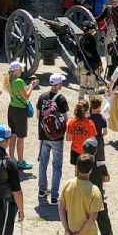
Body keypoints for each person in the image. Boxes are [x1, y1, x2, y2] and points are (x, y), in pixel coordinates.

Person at [37, 73, 70, 204]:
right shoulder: (61, 99)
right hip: (57, 138)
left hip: (44, 136)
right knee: (57, 166)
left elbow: (38, 116)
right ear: (58, 85)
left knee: (43, 164)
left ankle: (42, 190)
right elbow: (65, 119)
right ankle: (54, 196)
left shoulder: (42, 97)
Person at [59, 154, 105, 235]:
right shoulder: (94, 191)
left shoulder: (68, 184)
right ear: (91, 170)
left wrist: (67, 230)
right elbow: (92, 218)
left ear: (77, 168)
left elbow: (61, 209)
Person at [81, 137, 115, 235]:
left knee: (84, 228)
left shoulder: (80, 163)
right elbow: (107, 178)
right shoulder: (100, 165)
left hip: (84, 201)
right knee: (105, 228)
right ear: (95, 150)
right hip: (98, 200)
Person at [6, 61, 36, 170]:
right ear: (16, 70)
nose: (22, 70)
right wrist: (32, 86)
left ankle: (11, 158)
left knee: (13, 134)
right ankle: (20, 161)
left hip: (12, 108)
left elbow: (19, 92)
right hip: (20, 111)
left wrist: (27, 86)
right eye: (20, 69)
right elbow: (26, 96)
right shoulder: (19, 81)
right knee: (21, 138)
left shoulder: (9, 80)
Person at [66, 99, 98, 166]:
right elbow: (93, 140)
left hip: (75, 150)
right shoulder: (90, 123)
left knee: (76, 168)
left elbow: (68, 139)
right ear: (87, 111)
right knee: (85, 171)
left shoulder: (71, 122)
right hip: (86, 152)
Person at [77, 22, 104, 98]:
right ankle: (92, 105)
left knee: (82, 86)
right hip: (91, 65)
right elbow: (94, 52)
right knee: (91, 87)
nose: (94, 31)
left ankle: (80, 102)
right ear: (89, 30)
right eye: (92, 29)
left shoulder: (80, 38)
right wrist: (99, 62)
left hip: (82, 64)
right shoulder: (91, 38)